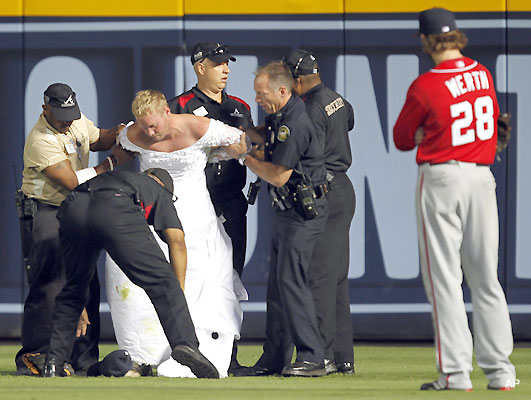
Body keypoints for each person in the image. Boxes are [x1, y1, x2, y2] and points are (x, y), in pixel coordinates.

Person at [393, 8, 516, 391]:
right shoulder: (482, 74)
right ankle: (501, 372)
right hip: (482, 177)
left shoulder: (426, 85)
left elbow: (400, 137)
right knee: (486, 280)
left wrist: (427, 135)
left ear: (426, 40)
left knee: (445, 279)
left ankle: (456, 374)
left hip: (443, 177)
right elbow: (495, 128)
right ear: (457, 37)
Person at [105, 89, 247, 378]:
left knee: (200, 279)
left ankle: (195, 351)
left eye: (154, 124)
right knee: (145, 281)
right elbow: (118, 149)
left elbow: (239, 143)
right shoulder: (133, 134)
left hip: (196, 215)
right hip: (153, 214)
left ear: (167, 113)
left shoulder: (198, 126)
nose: (150, 131)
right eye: (144, 126)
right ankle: (145, 357)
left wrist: (222, 152)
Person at [42, 168, 219, 379]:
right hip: (115, 204)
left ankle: (53, 363)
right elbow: (177, 240)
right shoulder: (158, 189)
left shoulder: (123, 177)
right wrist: (175, 290)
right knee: (163, 281)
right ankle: (186, 344)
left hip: (73, 205)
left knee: (73, 291)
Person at [227, 62, 329, 377]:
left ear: (282, 91)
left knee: (292, 283)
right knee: (278, 286)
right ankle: (275, 357)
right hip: (286, 214)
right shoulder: (280, 115)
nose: (256, 99)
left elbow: (280, 175)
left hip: (302, 214)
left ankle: (312, 356)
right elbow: (262, 136)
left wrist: (242, 156)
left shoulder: (295, 122)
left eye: (261, 94)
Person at [16, 82, 125, 375]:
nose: (68, 122)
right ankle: (35, 353)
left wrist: (124, 132)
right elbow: (72, 180)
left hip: (74, 208)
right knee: (50, 283)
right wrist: (114, 162)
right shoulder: (40, 139)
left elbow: (99, 138)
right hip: (44, 210)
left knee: (86, 279)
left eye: (71, 114)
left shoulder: (74, 120)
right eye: (62, 116)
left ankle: (84, 357)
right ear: (45, 109)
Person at [168, 41, 254, 374]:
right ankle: (190, 353)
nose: (226, 70)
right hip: (195, 206)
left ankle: (228, 357)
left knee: (231, 280)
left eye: (227, 63)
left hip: (232, 203)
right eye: (218, 64)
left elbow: (249, 147)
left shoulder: (240, 106)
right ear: (199, 67)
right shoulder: (181, 105)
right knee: (194, 280)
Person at [283, 49, 356, 375]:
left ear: (297, 80)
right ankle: (342, 357)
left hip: (324, 190)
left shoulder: (309, 108)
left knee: (319, 279)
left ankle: (321, 356)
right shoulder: (335, 98)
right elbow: (350, 120)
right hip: (343, 187)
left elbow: (301, 148)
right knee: (336, 278)